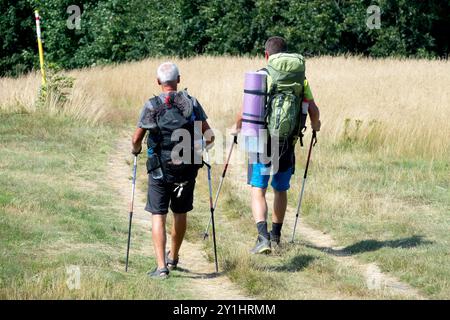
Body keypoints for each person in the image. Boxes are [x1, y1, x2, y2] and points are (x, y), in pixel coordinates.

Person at [234, 36, 321, 254]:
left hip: (262, 140)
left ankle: (262, 237)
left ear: (267, 55)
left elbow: (246, 111)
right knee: (280, 189)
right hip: (287, 142)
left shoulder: (262, 75)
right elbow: (313, 110)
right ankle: (276, 236)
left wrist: (236, 128)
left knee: (259, 189)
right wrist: (315, 126)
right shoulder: (301, 79)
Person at [132, 62, 214, 278]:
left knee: (158, 215)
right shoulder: (192, 103)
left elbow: (136, 139)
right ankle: (173, 257)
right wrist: (198, 149)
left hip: (159, 170)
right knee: (180, 212)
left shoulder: (152, 106)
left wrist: (136, 150)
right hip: (186, 169)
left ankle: (161, 268)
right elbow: (210, 136)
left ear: (159, 82)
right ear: (178, 80)